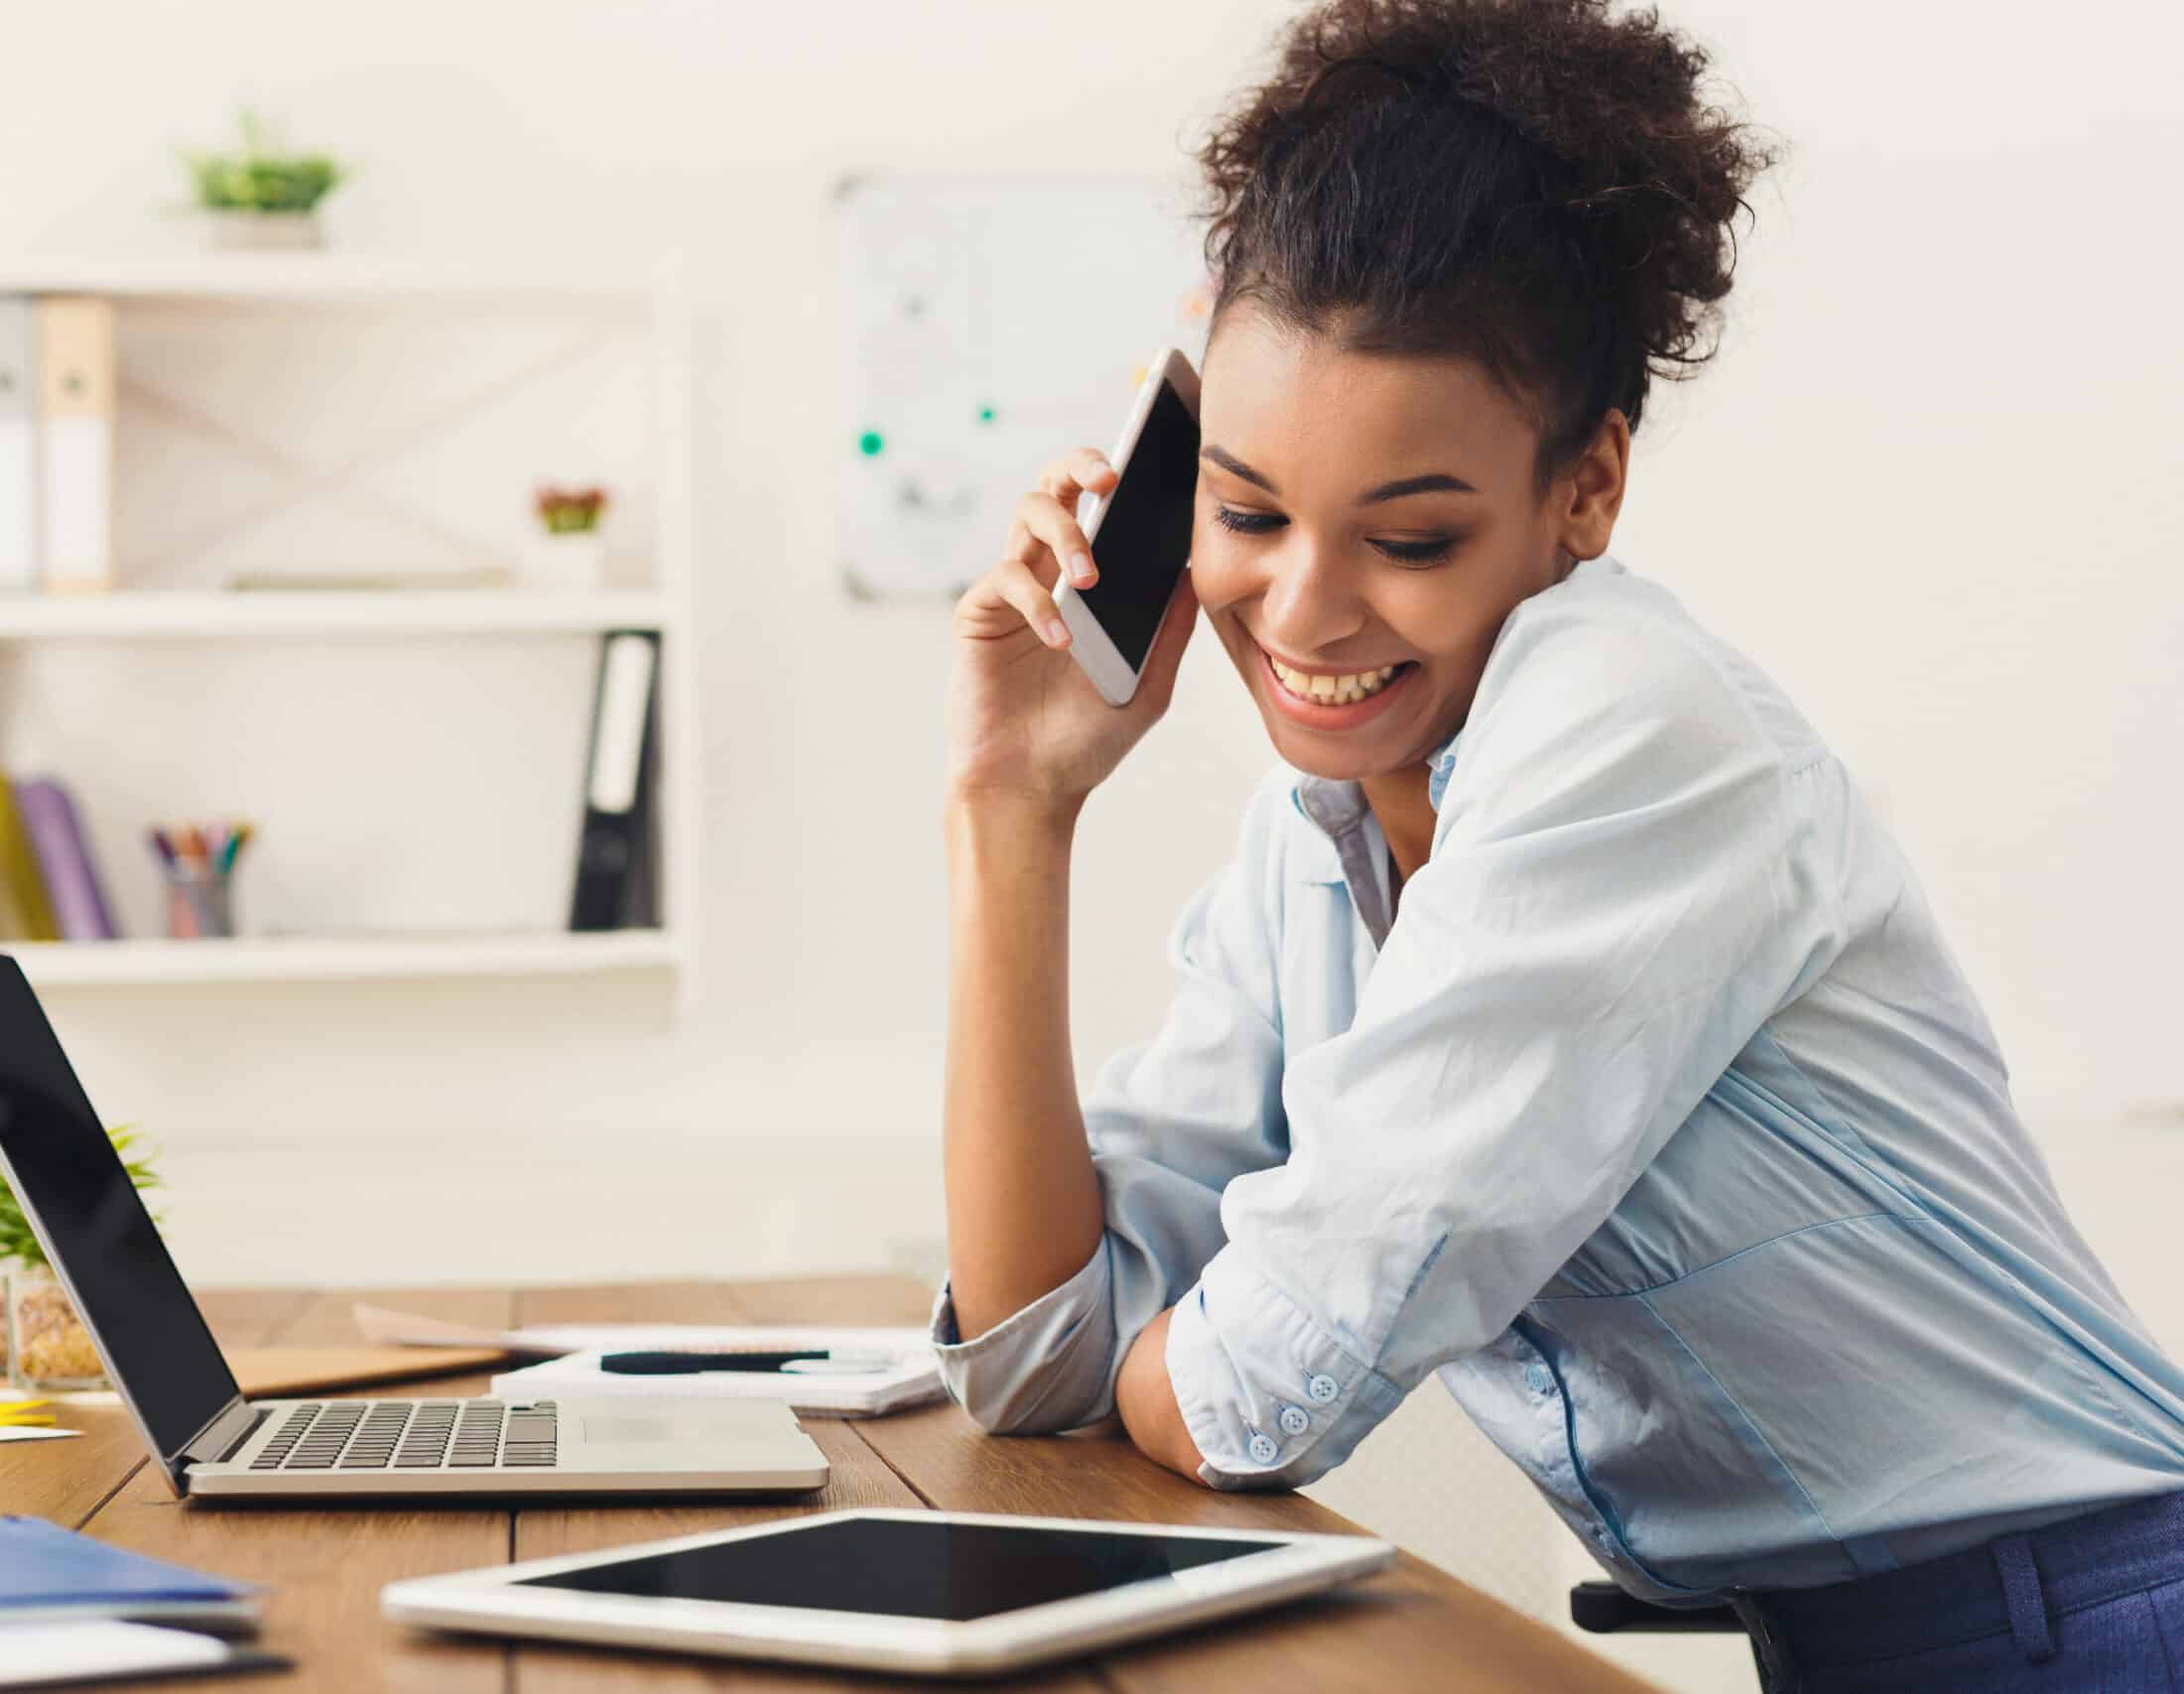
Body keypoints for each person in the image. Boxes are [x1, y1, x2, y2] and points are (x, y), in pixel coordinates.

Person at [930, 1, 2184, 1687]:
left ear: (1582, 491)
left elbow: (1252, 1397)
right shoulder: (1310, 846)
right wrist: (1011, 809)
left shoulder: (1631, 730)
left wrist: (1187, 1340)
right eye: (1243, 512)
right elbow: (1039, 1359)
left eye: (1412, 535)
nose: (1302, 609)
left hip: (2099, 1623)